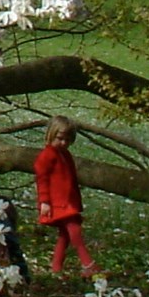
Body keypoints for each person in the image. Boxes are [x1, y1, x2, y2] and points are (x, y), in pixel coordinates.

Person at [34, 115, 99, 276]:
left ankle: (56, 268)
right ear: (51, 135)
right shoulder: (47, 155)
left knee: (65, 235)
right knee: (74, 230)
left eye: (67, 140)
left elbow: (69, 177)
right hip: (57, 202)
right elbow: (42, 179)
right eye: (60, 139)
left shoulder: (65, 155)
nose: (63, 143)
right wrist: (45, 201)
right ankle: (87, 263)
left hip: (68, 200)